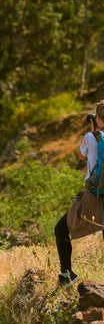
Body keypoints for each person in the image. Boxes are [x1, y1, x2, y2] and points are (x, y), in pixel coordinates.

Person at [55, 101, 104, 286]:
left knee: (61, 229)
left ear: (97, 117)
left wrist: (93, 130)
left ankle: (67, 275)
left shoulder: (91, 137)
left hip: (94, 195)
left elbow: (80, 155)